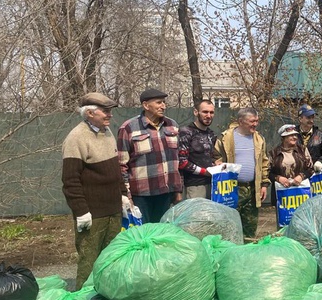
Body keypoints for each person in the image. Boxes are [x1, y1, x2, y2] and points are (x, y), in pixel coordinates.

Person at [62, 92, 128, 289]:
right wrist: (81, 211)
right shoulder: (76, 138)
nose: (110, 115)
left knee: (111, 259)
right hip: (92, 216)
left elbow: (115, 171)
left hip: (113, 212)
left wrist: (123, 196)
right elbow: (70, 180)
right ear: (90, 113)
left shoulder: (106, 132)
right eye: (105, 111)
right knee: (89, 263)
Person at [117, 88, 182, 223]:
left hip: (166, 193)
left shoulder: (172, 125)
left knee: (162, 235)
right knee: (143, 235)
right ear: (146, 105)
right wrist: (126, 195)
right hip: (141, 195)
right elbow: (121, 165)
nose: (163, 106)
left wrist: (178, 190)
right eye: (159, 103)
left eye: (164, 102)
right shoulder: (128, 128)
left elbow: (177, 160)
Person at [213, 107, 270, 240]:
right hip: (232, 189)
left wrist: (264, 185)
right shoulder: (226, 138)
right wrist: (218, 163)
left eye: (256, 121)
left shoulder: (259, 139)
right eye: (252, 121)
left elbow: (264, 162)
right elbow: (216, 156)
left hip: (252, 189)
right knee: (230, 225)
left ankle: (248, 254)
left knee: (250, 228)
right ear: (240, 121)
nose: (255, 124)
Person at [177, 100, 217, 199]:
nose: (208, 115)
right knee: (197, 214)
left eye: (211, 112)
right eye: (205, 112)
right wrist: (204, 172)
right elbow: (181, 162)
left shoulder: (211, 134)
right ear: (196, 112)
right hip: (194, 186)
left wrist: (216, 164)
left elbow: (208, 157)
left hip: (212, 184)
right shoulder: (186, 132)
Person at [269, 123, 313, 210]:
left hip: (301, 193)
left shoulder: (302, 150)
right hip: (282, 195)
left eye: (295, 135)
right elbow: (267, 173)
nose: (295, 137)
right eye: (291, 135)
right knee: (284, 220)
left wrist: (301, 176)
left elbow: (311, 169)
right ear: (283, 138)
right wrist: (278, 178)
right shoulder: (273, 153)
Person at [296, 103, 322, 170]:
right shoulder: (292, 135)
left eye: (312, 117)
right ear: (300, 119)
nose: (311, 120)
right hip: (296, 173)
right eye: (308, 118)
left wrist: (321, 161)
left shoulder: (321, 136)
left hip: (315, 173)